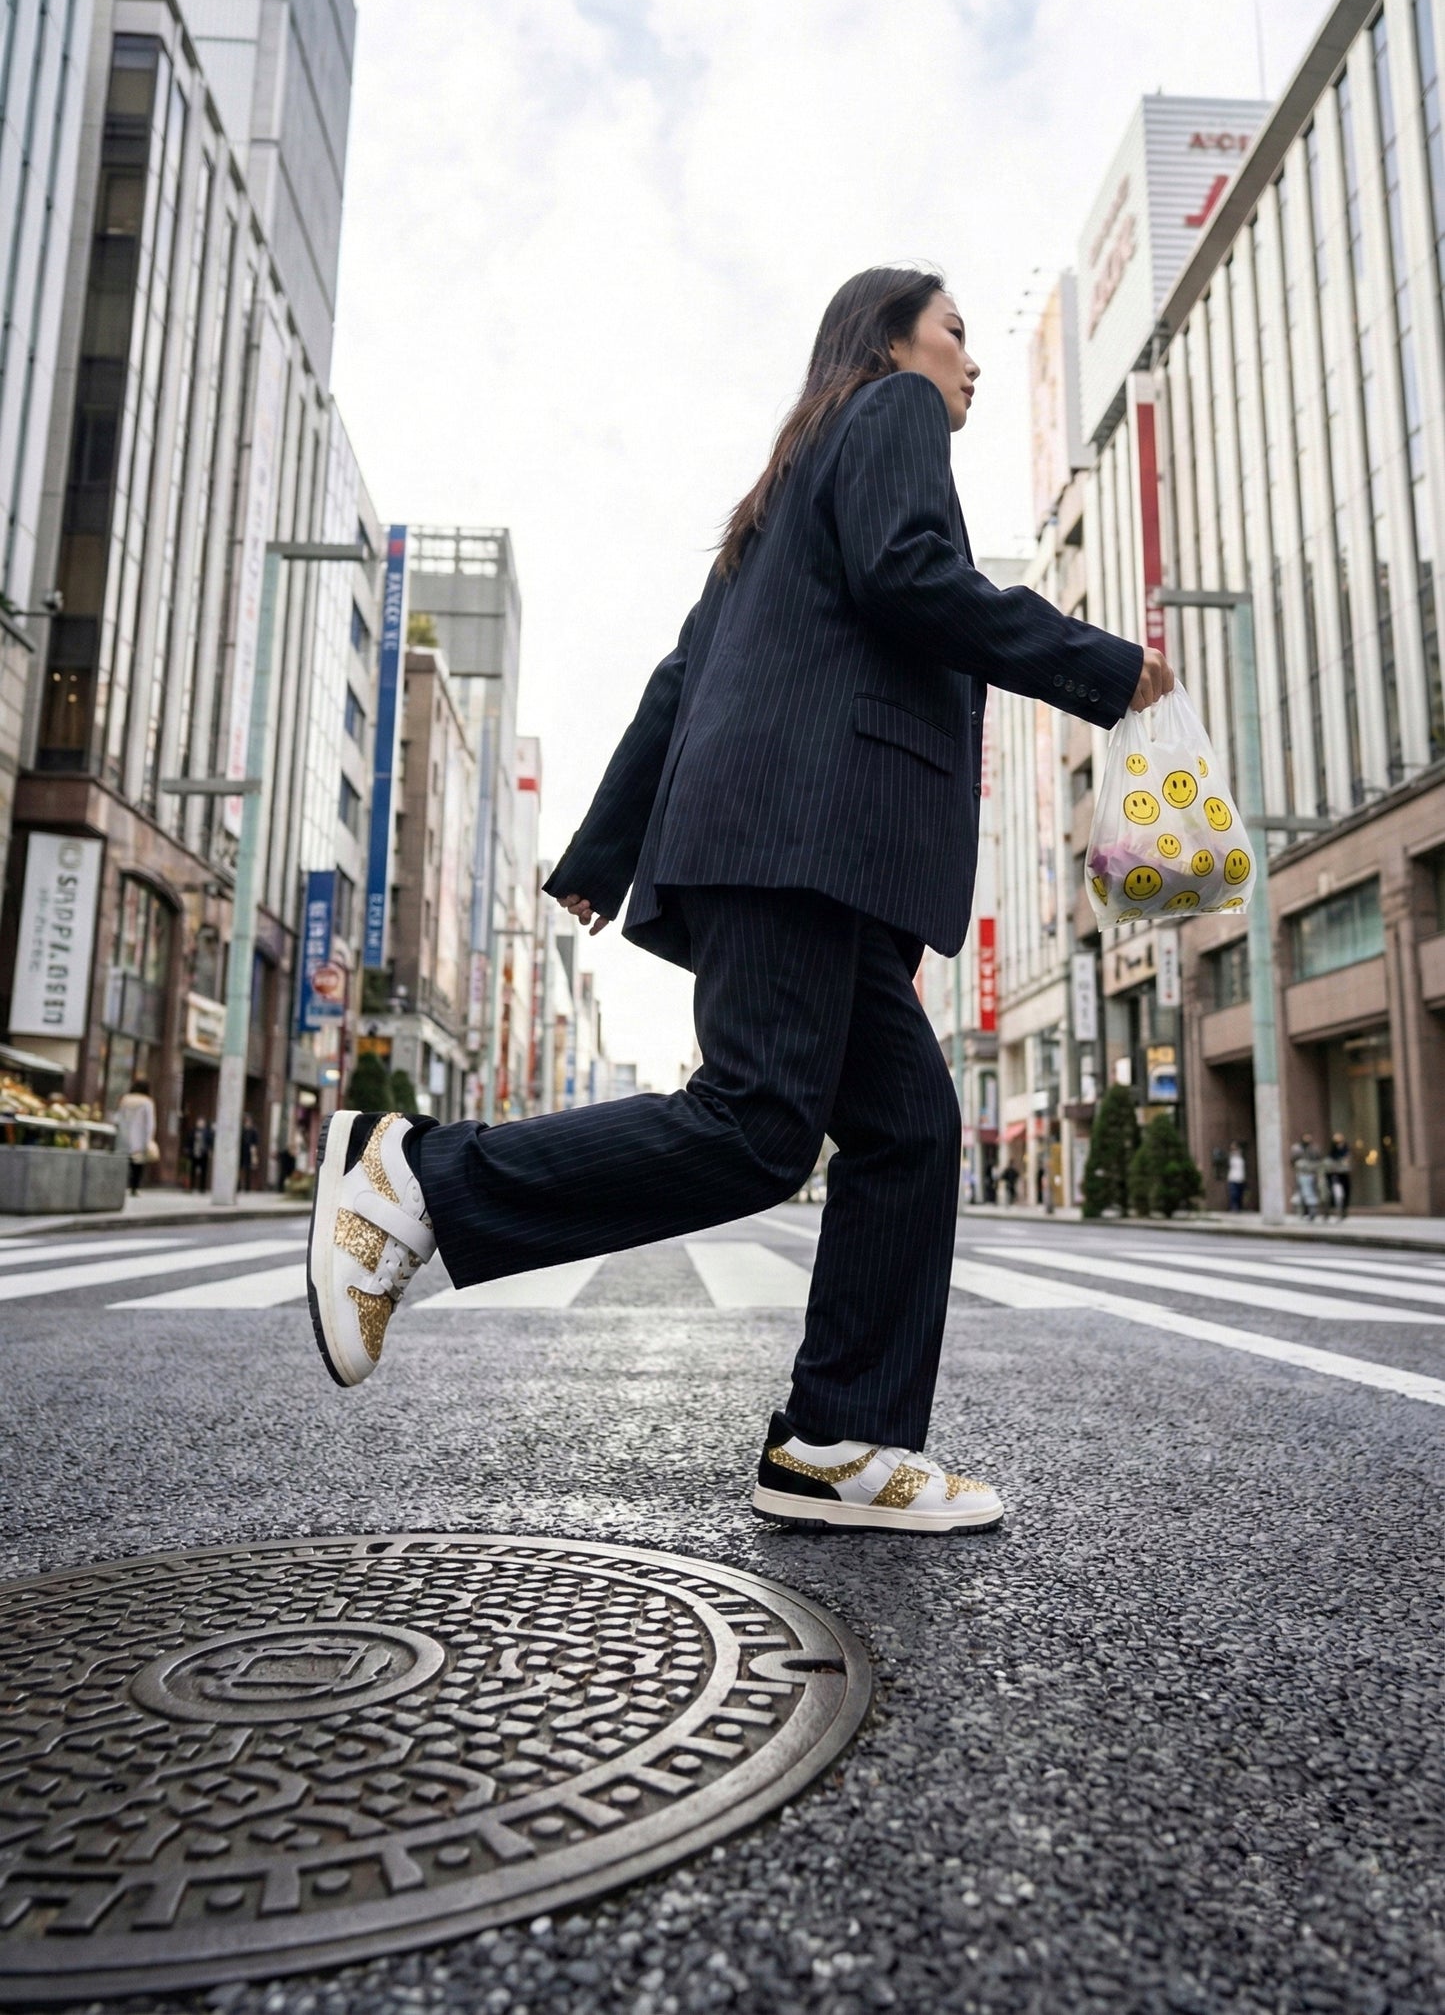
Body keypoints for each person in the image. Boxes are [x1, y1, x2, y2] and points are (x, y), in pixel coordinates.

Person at [305, 265, 1169, 1534]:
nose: (970, 363)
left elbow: (680, 677)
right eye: (954, 333)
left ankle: (838, 1441)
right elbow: (911, 576)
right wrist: (1105, 666)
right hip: (804, 830)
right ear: (887, 341)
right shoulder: (890, 415)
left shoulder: (775, 497)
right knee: (760, 1119)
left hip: (784, 833)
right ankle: (421, 1175)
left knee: (911, 1130)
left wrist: (602, 849)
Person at [113, 1076, 156, 1197]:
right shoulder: (147, 1102)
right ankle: (134, 1188)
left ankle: (120, 1186)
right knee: (137, 1164)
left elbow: (118, 1117)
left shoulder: (126, 1099)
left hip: (124, 1135)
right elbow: (150, 1123)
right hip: (139, 1137)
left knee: (123, 1162)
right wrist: (149, 1139)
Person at [1291, 1132, 1322, 1220]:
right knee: (1301, 1193)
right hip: (1301, 1173)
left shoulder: (1314, 1148)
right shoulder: (1296, 1148)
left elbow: (1318, 1159)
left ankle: (1311, 1212)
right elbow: (1293, 1160)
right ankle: (1302, 1213)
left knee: (1310, 1192)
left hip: (1311, 1173)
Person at [1324, 1132, 1352, 1221]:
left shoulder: (1346, 1149)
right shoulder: (1331, 1150)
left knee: (1345, 1192)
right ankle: (1328, 1211)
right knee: (1331, 1193)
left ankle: (1343, 1211)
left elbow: (1347, 1161)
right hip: (1333, 1174)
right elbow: (1328, 1161)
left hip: (1343, 1173)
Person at [190, 1117, 212, 1195]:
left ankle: (202, 1188)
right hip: (195, 1152)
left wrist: (209, 1150)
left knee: (203, 1171)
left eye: (201, 1122)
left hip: (203, 1153)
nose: (200, 1124)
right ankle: (191, 1187)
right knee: (193, 1170)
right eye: (199, 1122)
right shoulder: (193, 1131)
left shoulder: (207, 1132)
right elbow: (189, 1140)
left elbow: (210, 1142)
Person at [1226, 1140, 1247, 1214]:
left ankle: (1239, 1208)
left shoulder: (1240, 1158)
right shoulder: (1232, 1157)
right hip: (1233, 1178)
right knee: (1234, 1194)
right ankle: (1234, 1208)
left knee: (1239, 1195)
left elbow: (1242, 1169)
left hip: (1240, 1179)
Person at [240, 1114, 260, 1193]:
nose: (248, 1123)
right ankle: (239, 1186)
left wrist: (254, 1152)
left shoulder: (253, 1131)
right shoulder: (242, 1130)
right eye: (246, 1121)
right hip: (242, 1150)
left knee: (248, 1168)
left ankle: (247, 1187)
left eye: (249, 1121)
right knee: (240, 1168)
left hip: (250, 1151)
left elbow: (256, 1142)